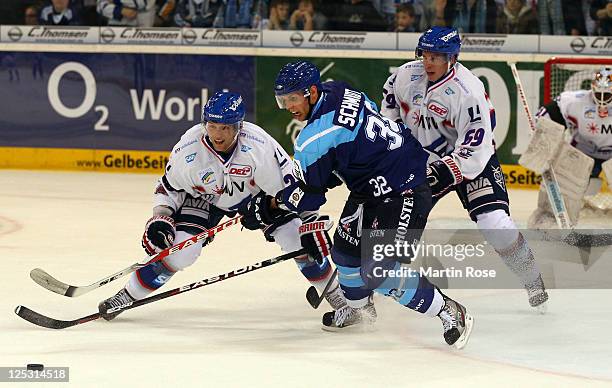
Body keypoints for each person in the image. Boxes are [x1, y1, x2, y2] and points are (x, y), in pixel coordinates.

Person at [248, 61, 474, 349]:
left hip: (404, 189)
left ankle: (451, 311)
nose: (289, 106)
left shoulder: (312, 140)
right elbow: (345, 148)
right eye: (283, 100)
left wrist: (273, 204)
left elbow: (310, 196)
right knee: (344, 256)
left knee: (377, 271)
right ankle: (359, 310)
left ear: (311, 92)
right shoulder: (339, 89)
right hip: (372, 185)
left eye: (293, 98)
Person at [98, 91, 346, 321]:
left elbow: (292, 186)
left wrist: (309, 221)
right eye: (212, 126)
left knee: (297, 241)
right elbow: (169, 187)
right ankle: (127, 296)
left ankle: (338, 297)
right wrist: (161, 217)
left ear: (239, 126)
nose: (217, 134)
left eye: (225, 128)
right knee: (181, 252)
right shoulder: (188, 150)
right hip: (207, 200)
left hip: (258, 197)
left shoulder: (259, 146)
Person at [381, 26, 548, 311]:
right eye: (426, 54)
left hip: (471, 160)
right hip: (420, 163)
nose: (429, 62)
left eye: (437, 56)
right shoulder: (404, 76)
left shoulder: (467, 90)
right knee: (391, 218)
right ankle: (376, 278)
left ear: (452, 58)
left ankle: (532, 278)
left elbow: (477, 142)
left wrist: (449, 168)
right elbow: (388, 113)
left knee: (493, 221)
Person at [528, 67, 612, 229]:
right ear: (592, 88)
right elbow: (545, 117)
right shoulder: (574, 102)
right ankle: (549, 218)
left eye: (607, 94)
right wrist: (542, 137)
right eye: (598, 93)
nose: (602, 99)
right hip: (582, 152)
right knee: (564, 178)